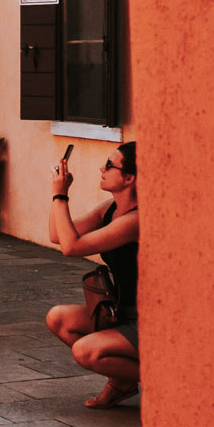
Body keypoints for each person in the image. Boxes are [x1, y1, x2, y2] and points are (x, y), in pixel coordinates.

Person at [45, 142, 140, 406]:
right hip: (121, 310)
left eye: (110, 165)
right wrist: (59, 193)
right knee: (59, 318)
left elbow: (71, 248)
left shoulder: (136, 220)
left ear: (129, 177)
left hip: (147, 320)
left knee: (86, 352)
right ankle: (122, 383)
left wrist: (60, 196)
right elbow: (58, 236)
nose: (102, 168)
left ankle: (169, 380)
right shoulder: (109, 208)